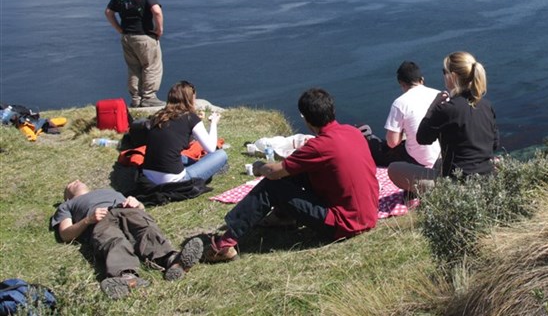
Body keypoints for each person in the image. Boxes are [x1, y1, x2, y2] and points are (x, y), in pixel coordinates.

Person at [203, 88, 378, 262]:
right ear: (331, 110)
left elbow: (273, 172)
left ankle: (224, 244)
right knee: (297, 172)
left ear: (306, 119)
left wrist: (259, 166)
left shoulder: (319, 146)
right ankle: (282, 217)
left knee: (273, 186)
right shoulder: (353, 132)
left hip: (344, 224)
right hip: (369, 215)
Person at [50, 180, 203, 299]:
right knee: (113, 240)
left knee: (146, 228)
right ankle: (126, 277)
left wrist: (138, 204)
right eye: (71, 184)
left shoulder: (108, 191)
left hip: (126, 209)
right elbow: (65, 234)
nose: (76, 180)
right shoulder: (67, 206)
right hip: (99, 221)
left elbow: (142, 208)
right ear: (67, 196)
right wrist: (88, 220)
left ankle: (173, 261)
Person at [389, 51, 500, 193]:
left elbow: (422, 138)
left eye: (444, 71)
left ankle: (430, 197)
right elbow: (495, 143)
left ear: (452, 76)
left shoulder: (446, 109)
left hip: (458, 187)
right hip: (487, 178)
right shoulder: (486, 105)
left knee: (394, 169)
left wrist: (433, 106)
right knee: (438, 162)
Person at [139, 81, 227, 186]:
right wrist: (213, 123)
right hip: (174, 180)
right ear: (189, 99)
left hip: (148, 175)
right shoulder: (190, 117)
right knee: (221, 155)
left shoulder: (159, 116)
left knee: (181, 156)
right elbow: (211, 148)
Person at [105, 0, 165, 108]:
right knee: (151, 66)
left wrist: (119, 28)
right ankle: (149, 97)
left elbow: (108, 12)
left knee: (133, 67)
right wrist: (159, 29)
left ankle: (136, 98)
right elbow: (157, 11)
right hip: (144, 36)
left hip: (127, 36)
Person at [367, 61, 441, 169]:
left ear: (401, 84)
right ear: (422, 80)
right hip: (442, 157)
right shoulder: (440, 95)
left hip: (419, 161)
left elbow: (392, 142)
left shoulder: (400, 103)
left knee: (376, 147)